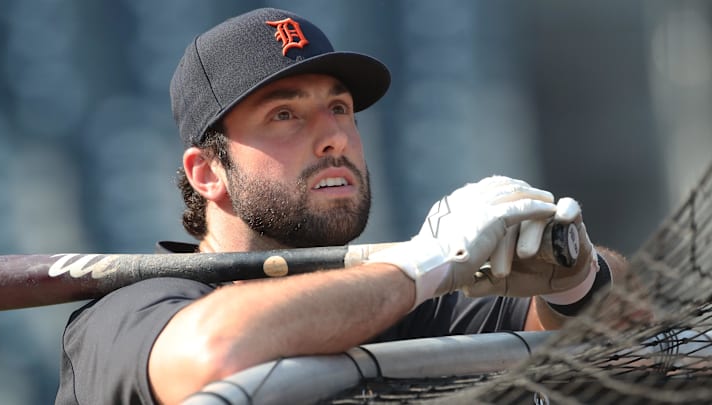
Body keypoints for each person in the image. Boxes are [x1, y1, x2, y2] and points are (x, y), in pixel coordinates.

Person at [55, 7, 625, 405]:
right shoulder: (125, 314)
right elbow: (218, 355)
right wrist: (423, 265)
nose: (334, 138)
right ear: (208, 173)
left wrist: (575, 275)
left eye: (340, 108)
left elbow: (627, 322)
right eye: (285, 114)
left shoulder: (390, 300)